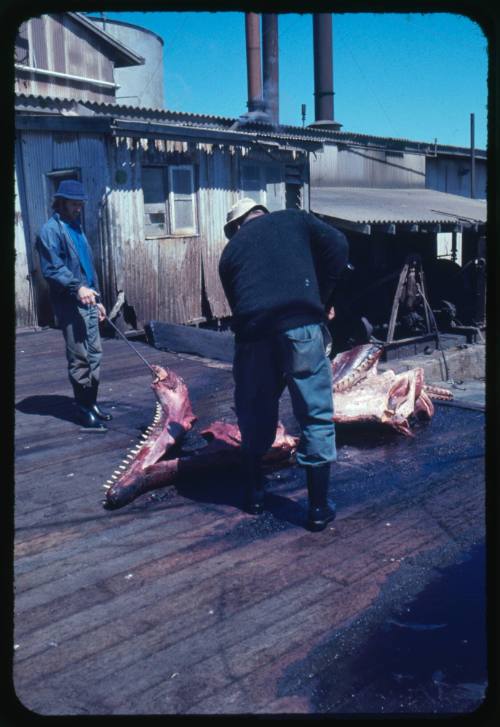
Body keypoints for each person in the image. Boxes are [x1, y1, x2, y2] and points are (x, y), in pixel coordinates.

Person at [219, 197, 349, 531]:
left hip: (253, 336)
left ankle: (254, 496)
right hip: (302, 327)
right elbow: (339, 245)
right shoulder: (294, 219)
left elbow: (241, 306)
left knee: (255, 409)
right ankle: (318, 509)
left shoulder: (230, 253)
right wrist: (323, 299)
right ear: (261, 212)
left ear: (236, 227)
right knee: (315, 413)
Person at [36, 180, 112, 432]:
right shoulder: (50, 231)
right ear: (61, 202)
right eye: (73, 203)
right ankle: (83, 411)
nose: (78, 207)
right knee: (79, 357)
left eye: (80, 203)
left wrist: (98, 300)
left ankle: (91, 403)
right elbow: (52, 269)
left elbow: (87, 269)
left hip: (89, 300)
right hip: (71, 303)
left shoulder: (76, 228)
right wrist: (77, 288)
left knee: (95, 355)